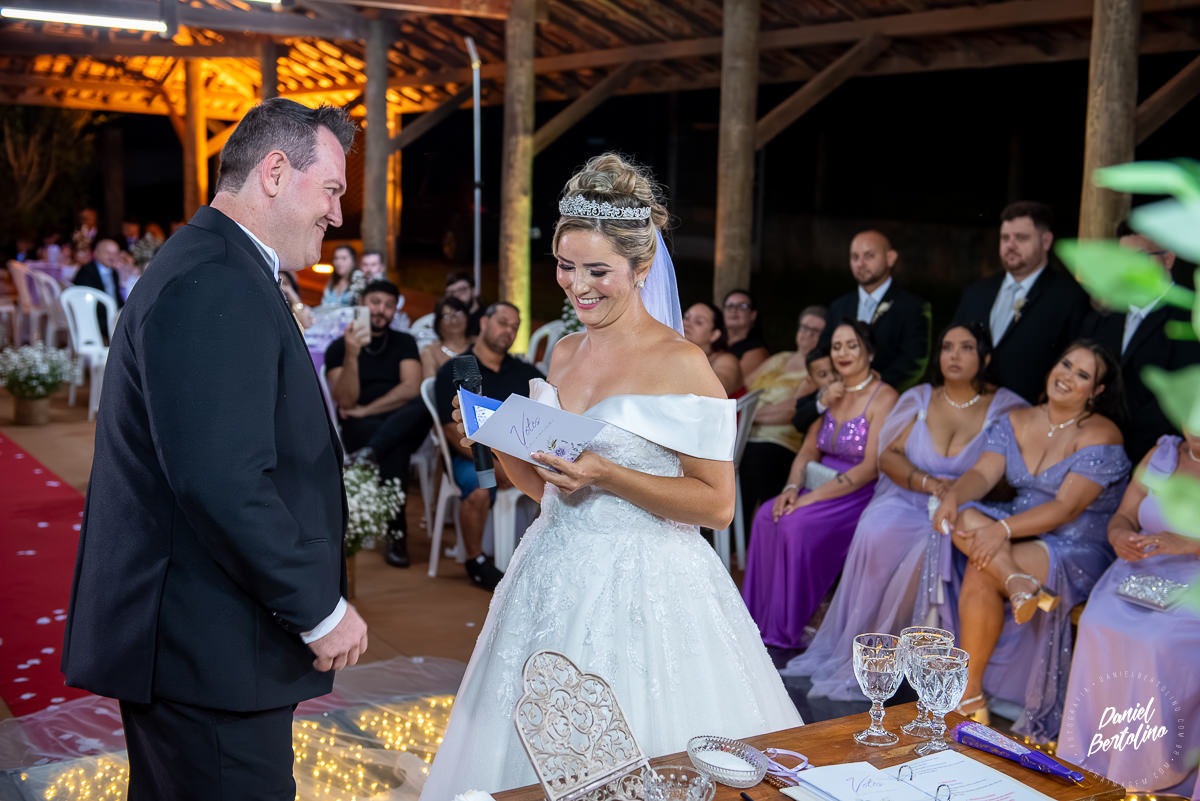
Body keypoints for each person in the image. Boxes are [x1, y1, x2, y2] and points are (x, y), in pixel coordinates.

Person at [420, 154, 801, 800]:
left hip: (649, 593)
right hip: (550, 575)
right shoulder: (564, 352)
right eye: (566, 266)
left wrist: (608, 473)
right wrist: (496, 437)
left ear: (641, 268)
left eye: (597, 271)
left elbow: (717, 506)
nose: (578, 286)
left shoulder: (683, 364)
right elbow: (549, 488)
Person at [61, 99, 367, 801]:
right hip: (206, 647)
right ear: (275, 171)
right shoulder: (216, 279)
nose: (336, 213)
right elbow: (221, 479)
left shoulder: (218, 262)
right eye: (331, 190)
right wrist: (319, 609)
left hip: (204, 642)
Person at [781, 323, 1026, 700]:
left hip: (969, 503)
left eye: (966, 348)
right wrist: (926, 482)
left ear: (985, 357)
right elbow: (888, 457)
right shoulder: (920, 398)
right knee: (875, 528)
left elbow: (1009, 476)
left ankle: (916, 658)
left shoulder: (1006, 408)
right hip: (910, 493)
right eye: (947, 347)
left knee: (929, 540)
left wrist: (955, 492)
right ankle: (870, 648)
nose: (954, 355)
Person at [931, 341, 1130, 741]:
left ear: (1097, 391)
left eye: (1082, 374)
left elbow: (1066, 508)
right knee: (964, 516)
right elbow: (982, 475)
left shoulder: (1101, 433)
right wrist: (952, 496)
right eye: (1065, 364)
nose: (1067, 376)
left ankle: (969, 695)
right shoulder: (1018, 419)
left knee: (981, 566)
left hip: (1075, 542)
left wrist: (1001, 530)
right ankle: (1017, 580)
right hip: (1019, 531)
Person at [1058, 433, 1200, 797]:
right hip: (1139, 569)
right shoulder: (1161, 453)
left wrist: (1188, 544)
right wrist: (1120, 535)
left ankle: (1148, 768)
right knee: (1096, 623)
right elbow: (1123, 515)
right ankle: (1092, 754)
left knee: (1155, 641)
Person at [742, 320, 899, 650]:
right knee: (767, 516)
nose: (843, 353)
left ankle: (787, 628)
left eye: (852, 345)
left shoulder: (884, 396)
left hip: (856, 492)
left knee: (795, 524)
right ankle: (755, 622)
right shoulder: (831, 393)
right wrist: (790, 489)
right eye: (837, 346)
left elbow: (871, 467)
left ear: (869, 351)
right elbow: (808, 450)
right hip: (816, 483)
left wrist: (809, 500)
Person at [433, 302, 543, 590]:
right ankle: (476, 561)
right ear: (483, 323)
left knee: (559, 486)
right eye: (503, 322)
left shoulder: (525, 372)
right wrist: (499, 464)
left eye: (515, 327)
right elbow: (450, 430)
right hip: (470, 455)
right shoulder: (455, 370)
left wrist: (517, 462)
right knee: (480, 489)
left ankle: (533, 556)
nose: (509, 331)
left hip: (519, 454)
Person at [325, 279, 424, 565]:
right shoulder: (338, 348)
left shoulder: (404, 342)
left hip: (397, 417)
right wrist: (352, 354)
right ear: (361, 304)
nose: (381, 310)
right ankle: (396, 535)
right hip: (362, 428)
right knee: (396, 448)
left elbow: (411, 388)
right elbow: (345, 401)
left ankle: (371, 453)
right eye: (375, 302)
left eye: (389, 305)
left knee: (421, 405)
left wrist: (366, 410)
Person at [1081, 225, 1200, 462]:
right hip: (1094, 448)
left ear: (1168, 258)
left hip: (1157, 456)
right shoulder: (1102, 316)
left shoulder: (1191, 318)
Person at [953, 201, 1090, 404]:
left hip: (1032, 410)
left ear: (1046, 241)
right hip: (970, 406)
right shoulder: (977, 292)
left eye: (1021, 238)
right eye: (1005, 238)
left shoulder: (1070, 296)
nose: (1010, 245)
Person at [739, 307, 828, 531]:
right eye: (804, 327)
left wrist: (747, 416)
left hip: (781, 440)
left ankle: (747, 537)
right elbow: (744, 386)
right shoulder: (780, 357)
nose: (807, 334)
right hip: (745, 434)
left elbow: (793, 410)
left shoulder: (817, 370)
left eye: (815, 331)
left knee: (756, 458)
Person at [683, 301, 743, 396]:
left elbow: (718, 388)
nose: (686, 324)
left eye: (698, 322)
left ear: (715, 335)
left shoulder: (726, 360)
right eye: (686, 318)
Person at [420, 295, 472, 379]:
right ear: (438, 322)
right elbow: (430, 384)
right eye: (447, 316)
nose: (454, 320)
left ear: (467, 316)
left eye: (458, 313)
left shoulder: (478, 344)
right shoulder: (430, 351)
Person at [722, 288, 770, 376]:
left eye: (742, 306)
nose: (734, 310)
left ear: (753, 315)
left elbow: (735, 382)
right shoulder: (714, 343)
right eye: (730, 306)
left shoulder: (756, 351)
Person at [446, 270, 484, 337]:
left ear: (474, 291)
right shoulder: (447, 320)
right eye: (451, 292)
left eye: (462, 289)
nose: (456, 295)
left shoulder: (487, 320)